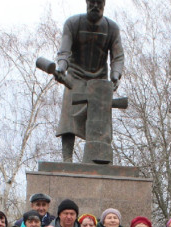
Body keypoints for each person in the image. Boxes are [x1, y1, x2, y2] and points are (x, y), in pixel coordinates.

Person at [54, 0, 124, 162]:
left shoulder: (111, 28)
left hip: (99, 81)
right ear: (86, 2)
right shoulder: (73, 23)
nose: (95, 6)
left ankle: (100, 159)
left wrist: (115, 75)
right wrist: (61, 68)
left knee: (101, 122)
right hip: (75, 78)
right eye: (91, 2)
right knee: (69, 117)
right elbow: (64, 51)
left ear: (104, 4)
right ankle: (67, 159)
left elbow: (118, 56)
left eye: (98, 3)